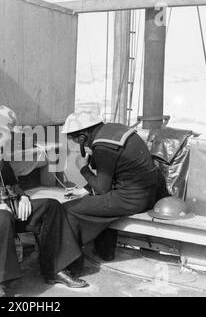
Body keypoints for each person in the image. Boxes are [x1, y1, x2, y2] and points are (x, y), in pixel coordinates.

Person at [0, 105, 89, 297]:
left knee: (51, 206)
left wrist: (23, 196)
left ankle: (55, 269)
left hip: (2, 208)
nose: (11, 138)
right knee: (1, 216)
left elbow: (12, 182)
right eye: (9, 133)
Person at [62, 112, 159, 263]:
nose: (77, 144)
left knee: (68, 209)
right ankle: (104, 252)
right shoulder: (113, 130)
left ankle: (70, 261)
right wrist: (85, 190)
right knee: (94, 203)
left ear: (83, 136)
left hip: (131, 199)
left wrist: (83, 169)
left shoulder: (103, 147)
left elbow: (102, 189)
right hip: (146, 194)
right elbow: (115, 172)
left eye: (74, 139)